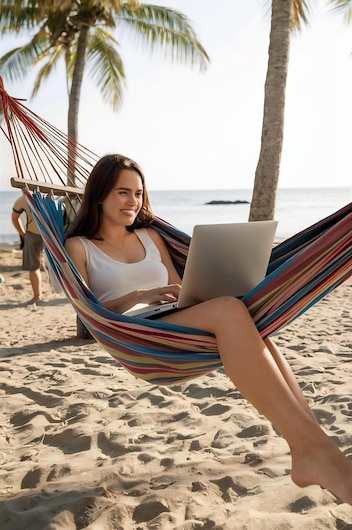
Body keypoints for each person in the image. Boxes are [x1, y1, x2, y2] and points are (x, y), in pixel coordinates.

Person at [65, 153, 352, 506]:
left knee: (252, 321)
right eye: (123, 192)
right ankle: (314, 452)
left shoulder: (152, 237)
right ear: (99, 195)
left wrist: (194, 291)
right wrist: (139, 295)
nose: (133, 201)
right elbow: (90, 310)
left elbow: (180, 289)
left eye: (138, 193)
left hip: (176, 318)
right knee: (231, 311)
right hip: (134, 331)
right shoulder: (79, 247)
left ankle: (315, 449)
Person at [12, 194, 44, 305]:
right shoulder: (50, 195)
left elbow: (14, 218)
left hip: (34, 234)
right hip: (52, 234)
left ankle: (37, 296)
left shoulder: (23, 199)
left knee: (33, 267)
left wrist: (23, 234)